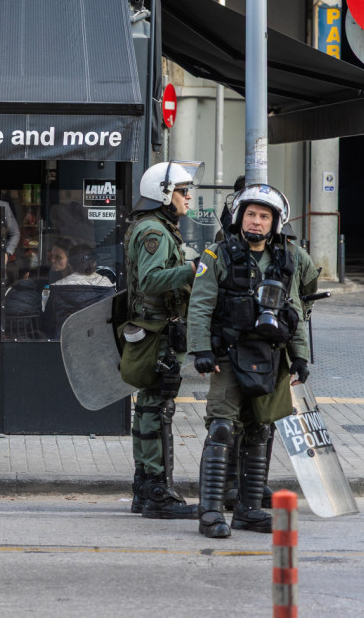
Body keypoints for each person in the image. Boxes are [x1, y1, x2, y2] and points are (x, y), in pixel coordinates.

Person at [189, 184, 310, 539]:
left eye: (264, 216)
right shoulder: (217, 254)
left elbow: (295, 311)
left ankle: (249, 510)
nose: (256, 222)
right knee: (221, 428)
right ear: (240, 216)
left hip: (270, 356)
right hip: (228, 354)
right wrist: (200, 350)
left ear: (275, 222)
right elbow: (199, 305)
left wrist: (300, 356)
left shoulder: (288, 259)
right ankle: (210, 512)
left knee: (261, 430)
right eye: (251, 214)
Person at [119, 161, 202, 520]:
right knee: (155, 409)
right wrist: (195, 269)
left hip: (155, 330)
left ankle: (145, 487)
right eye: (184, 190)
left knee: (150, 407)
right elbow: (152, 279)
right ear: (164, 193)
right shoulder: (154, 230)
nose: (189, 196)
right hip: (157, 333)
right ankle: (156, 492)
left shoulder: (155, 226)